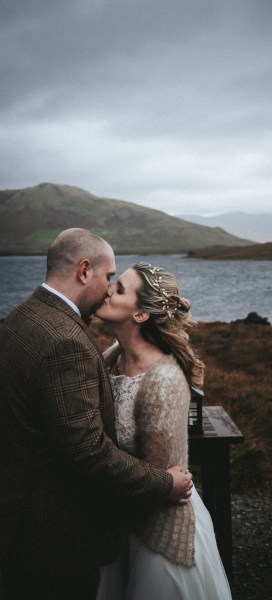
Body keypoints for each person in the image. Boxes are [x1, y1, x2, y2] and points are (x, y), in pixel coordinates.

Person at [0, 229, 192, 600]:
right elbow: (88, 451)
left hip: (23, 515)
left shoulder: (22, 316)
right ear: (84, 270)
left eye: (118, 286)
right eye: (109, 278)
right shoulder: (67, 343)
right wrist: (165, 485)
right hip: (50, 532)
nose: (108, 289)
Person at [95, 262, 232, 599]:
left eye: (120, 288)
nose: (107, 289)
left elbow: (160, 477)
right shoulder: (111, 356)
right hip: (121, 514)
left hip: (157, 523)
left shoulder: (162, 379)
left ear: (141, 315)